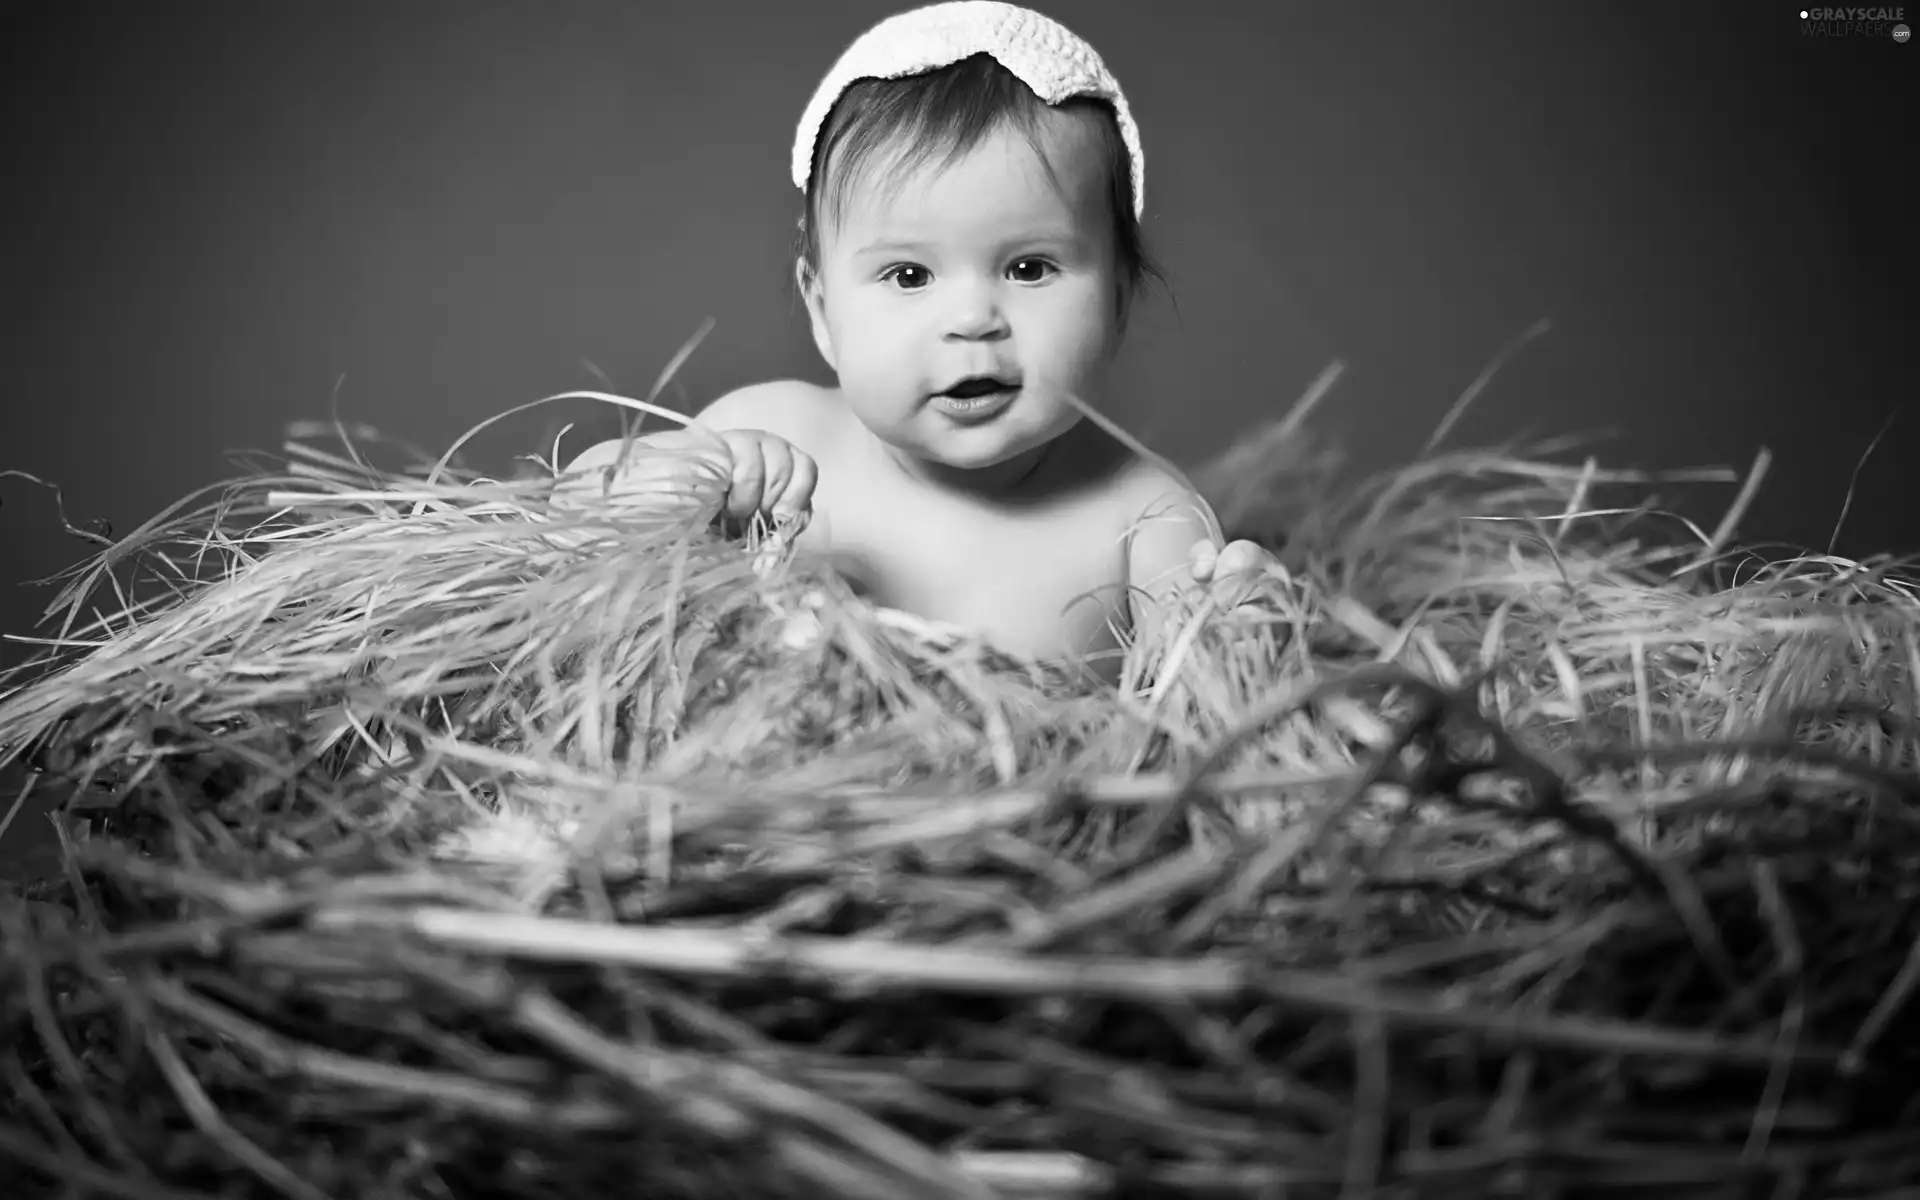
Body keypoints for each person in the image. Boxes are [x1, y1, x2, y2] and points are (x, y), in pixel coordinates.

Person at [560, 1, 1266, 681]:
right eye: (908, 275)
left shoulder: (1143, 518)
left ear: (1117, 303)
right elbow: (558, 530)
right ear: (822, 309)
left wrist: (1242, 628)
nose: (972, 320)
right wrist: (657, 487)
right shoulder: (770, 434)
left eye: (1028, 268)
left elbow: (1210, 703)